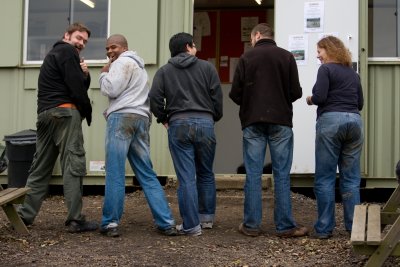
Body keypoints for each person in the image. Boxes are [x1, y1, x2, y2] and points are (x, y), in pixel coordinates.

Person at [230, 23, 308, 238]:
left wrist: (251, 102)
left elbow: (235, 94)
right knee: (281, 175)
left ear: (256, 35)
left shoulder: (247, 58)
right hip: (281, 121)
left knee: (253, 175)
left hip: (252, 122)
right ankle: (285, 226)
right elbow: (296, 92)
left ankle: (251, 225)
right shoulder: (286, 57)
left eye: (252, 38)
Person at [18, 22, 97, 233]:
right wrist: (87, 111)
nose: (81, 43)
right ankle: (76, 220)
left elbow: (71, 82)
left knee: (40, 167)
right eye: (78, 38)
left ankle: (25, 215)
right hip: (64, 113)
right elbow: (75, 87)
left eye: (84, 41)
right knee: (73, 164)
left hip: (45, 115)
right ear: (67, 35)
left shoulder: (53, 55)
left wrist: (85, 76)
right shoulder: (67, 51)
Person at [99, 34, 177, 237]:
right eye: (107, 49)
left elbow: (111, 88)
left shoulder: (121, 62)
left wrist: (103, 74)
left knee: (115, 171)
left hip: (121, 118)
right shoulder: (141, 68)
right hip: (141, 119)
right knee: (146, 173)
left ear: (124, 47)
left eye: (113, 47)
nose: (109, 52)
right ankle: (166, 222)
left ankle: (111, 223)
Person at [149, 32, 223, 236]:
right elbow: (217, 97)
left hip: (178, 123)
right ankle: (206, 218)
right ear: (189, 47)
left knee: (187, 177)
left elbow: (154, 98)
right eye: (194, 45)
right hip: (205, 122)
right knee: (206, 172)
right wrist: (211, 118)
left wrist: (164, 118)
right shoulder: (207, 68)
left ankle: (191, 225)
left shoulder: (164, 72)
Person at [306, 36, 364, 239]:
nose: (317, 55)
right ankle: (354, 227)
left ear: (329, 51)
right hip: (354, 123)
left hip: (331, 122)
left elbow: (320, 97)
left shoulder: (326, 70)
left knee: (325, 177)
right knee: (351, 179)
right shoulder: (353, 73)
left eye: (319, 51)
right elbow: (360, 103)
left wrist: (310, 99)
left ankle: (324, 228)